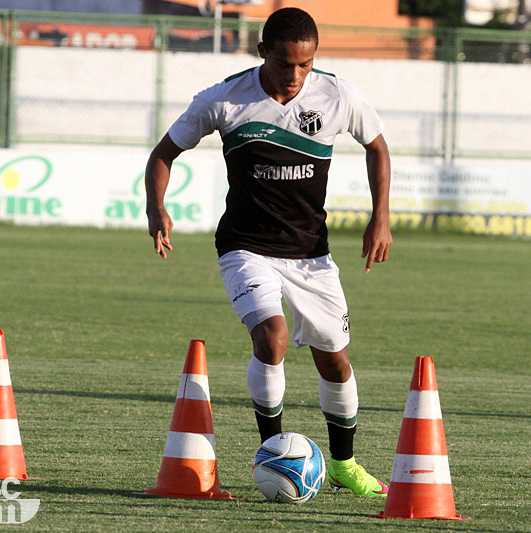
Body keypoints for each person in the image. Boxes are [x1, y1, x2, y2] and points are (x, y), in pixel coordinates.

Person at [145, 7, 392, 497]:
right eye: (285, 64)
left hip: (311, 255)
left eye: (305, 64)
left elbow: (378, 147)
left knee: (335, 361)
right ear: (263, 53)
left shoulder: (337, 94)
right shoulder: (224, 98)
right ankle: (274, 450)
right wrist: (157, 209)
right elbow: (163, 153)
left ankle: (344, 464)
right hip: (245, 247)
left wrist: (379, 216)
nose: (296, 75)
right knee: (272, 338)